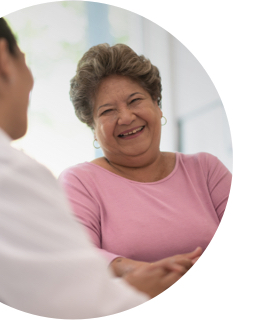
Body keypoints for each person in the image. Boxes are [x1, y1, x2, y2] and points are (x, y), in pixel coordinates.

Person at [0, 18, 193, 319]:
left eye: (135, 100)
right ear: (3, 60)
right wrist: (140, 286)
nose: (31, 81)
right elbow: (81, 310)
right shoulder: (0, 173)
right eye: (24, 60)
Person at [59, 43, 231, 278]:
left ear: (157, 106)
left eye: (135, 101)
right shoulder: (79, 182)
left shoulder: (206, 170)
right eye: (108, 111)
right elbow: (75, 256)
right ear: (93, 128)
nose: (126, 117)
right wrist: (147, 273)